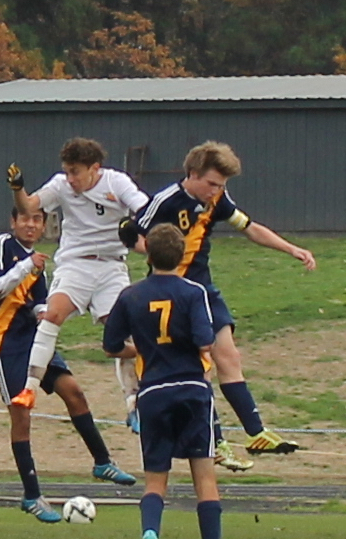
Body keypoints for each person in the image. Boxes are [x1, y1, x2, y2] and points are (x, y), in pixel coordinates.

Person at [124, 140, 316, 458]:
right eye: (212, 184)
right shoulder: (166, 201)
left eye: (222, 185)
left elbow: (249, 227)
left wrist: (291, 248)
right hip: (173, 294)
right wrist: (158, 253)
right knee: (200, 366)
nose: (216, 191)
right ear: (192, 174)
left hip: (204, 290)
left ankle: (256, 433)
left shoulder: (217, 200)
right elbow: (131, 233)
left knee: (229, 356)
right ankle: (215, 441)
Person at [0, 204, 138, 523]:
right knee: (22, 416)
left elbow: (37, 304)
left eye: (37, 220)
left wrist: (49, 313)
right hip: (4, 344)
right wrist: (26, 267)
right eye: (25, 218)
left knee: (73, 391)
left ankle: (102, 462)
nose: (31, 225)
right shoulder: (3, 246)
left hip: (33, 339)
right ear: (13, 221)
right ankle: (32, 496)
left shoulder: (39, 264)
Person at [103, 223, 227, 539]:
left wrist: (142, 347)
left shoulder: (130, 295)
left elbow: (111, 345)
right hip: (192, 389)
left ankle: (151, 534)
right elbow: (205, 342)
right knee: (205, 477)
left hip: (154, 392)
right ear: (182, 255)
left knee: (156, 479)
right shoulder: (194, 291)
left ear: (149, 256)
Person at [6, 138, 147, 431]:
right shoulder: (61, 185)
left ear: (95, 168)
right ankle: (29, 389)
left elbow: (145, 210)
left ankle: (133, 404)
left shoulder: (117, 182)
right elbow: (29, 205)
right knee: (52, 315)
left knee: (124, 335)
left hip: (111, 267)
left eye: (76, 172)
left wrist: (140, 234)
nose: (70, 179)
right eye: (67, 171)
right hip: (75, 264)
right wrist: (18, 188)